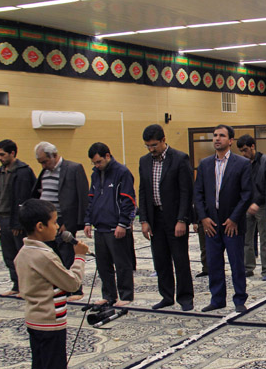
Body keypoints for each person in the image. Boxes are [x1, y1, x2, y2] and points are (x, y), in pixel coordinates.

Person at [14, 199, 90, 369]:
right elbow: (71, 283)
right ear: (40, 226)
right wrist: (79, 258)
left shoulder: (23, 252)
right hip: (50, 322)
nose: (58, 227)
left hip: (34, 320)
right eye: (54, 222)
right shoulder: (44, 255)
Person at [194, 125, 252, 313]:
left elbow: (247, 194)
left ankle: (240, 299)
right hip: (211, 223)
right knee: (214, 263)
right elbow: (198, 193)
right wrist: (203, 218)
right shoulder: (205, 164)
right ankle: (217, 299)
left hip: (232, 223)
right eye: (215, 135)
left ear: (230, 141)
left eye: (222, 135)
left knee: (236, 263)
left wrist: (234, 218)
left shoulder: (241, 163)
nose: (217, 138)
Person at [138, 124, 195, 311]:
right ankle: (166, 296)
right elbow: (143, 191)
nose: (151, 149)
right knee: (161, 260)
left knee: (180, 259)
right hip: (155, 218)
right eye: (148, 146)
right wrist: (144, 220)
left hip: (175, 218)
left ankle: (185, 297)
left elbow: (186, 192)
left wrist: (182, 219)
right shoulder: (144, 161)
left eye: (154, 145)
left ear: (163, 140)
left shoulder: (179, 159)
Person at [33, 142, 89, 299]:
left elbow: (81, 197)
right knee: (51, 258)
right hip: (45, 223)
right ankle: (58, 288)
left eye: (45, 161)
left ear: (54, 155)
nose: (43, 165)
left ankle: (75, 290)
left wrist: (71, 223)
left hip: (63, 222)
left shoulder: (73, 168)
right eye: (41, 163)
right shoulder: (44, 172)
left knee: (67, 257)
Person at [84, 143, 136, 306]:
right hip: (100, 227)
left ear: (107, 156)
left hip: (116, 227)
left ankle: (126, 296)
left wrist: (123, 223)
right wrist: (88, 221)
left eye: (99, 162)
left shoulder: (122, 172)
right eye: (94, 163)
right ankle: (108, 295)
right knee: (103, 265)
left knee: (122, 264)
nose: (96, 165)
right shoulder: (95, 174)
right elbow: (91, 199)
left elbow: (129, 200)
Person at [0, 139, 36, 296]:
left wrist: (19, 222)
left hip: (17, 220)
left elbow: (25, 199)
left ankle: (27, 287)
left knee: (22, 255)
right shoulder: (0, 172)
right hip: (2, 218)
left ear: (12, 153)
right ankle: (16, 285)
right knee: (9, 255)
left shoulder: (23, 172)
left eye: (2, 154)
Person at [237, 134, 266, 281]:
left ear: (253, 146)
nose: (243, 154)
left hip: (262, 205)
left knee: (264, 238)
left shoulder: (265, 161)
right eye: (241, 151)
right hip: (246, 205)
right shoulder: (243, 163)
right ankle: (248, 267)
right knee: (246, 238)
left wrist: (257, 203)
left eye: (245, 150)